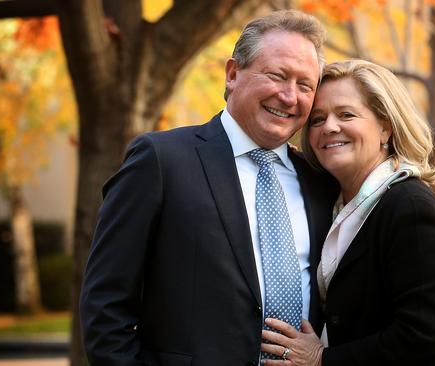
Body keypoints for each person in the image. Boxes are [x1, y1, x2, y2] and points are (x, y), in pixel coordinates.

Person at [80, 10, 338, 366]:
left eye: (305, 85)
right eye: (277, 76)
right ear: (233, 74)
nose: (290, 96)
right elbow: (105, 305)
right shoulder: (161, 161)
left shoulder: (321, 181)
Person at [260, 60, 435, 365]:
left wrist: (322, 359)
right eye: (317, 120)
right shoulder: (335, 208)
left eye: (346, 114)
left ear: (385, 127)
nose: (329, 127)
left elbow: (421, 337)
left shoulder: (411, 208)